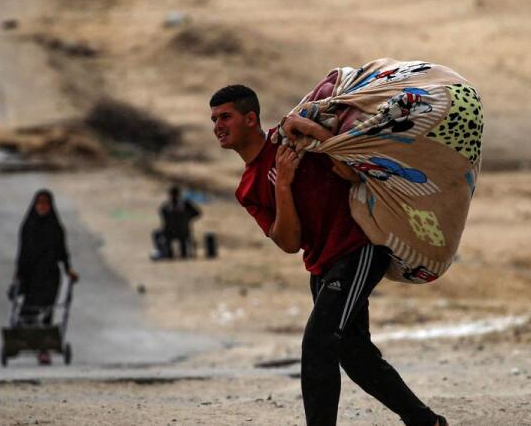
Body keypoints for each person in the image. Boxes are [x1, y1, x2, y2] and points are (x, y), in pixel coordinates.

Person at [210, 85, 446, 426]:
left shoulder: (291, 138)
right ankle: (427, 422)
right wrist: (283, 185)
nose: (217, 125)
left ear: (250, 119)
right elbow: (289, 242)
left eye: (225, 117)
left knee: (318, 343)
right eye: (214, 119)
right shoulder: (247, 189)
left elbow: (352, 167)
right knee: (355, 355)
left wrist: (313, 131)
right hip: (322, 265)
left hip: (359, 247)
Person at [14, 189, 78, 365]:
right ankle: (22, 340)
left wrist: (69, 269)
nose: (42, 207)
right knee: (29, 310)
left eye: (45, 204)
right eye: (39, 204)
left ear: (50, 206)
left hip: (50, 276)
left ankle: (43, 350)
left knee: (47, 311)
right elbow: (22, 253)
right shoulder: (28, 226)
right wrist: (18, 274)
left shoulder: (56, 227)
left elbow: (62, 252)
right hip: (30, 276)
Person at [157, 185, 202, 259]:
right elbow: (198, 213)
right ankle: (175, 252)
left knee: (158, 234)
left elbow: (162, 214)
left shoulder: (167, 206)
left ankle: (166, 252)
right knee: (183, 247)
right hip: (183, 232)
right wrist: (188, 218)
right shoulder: (185, 204)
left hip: (172, 232)